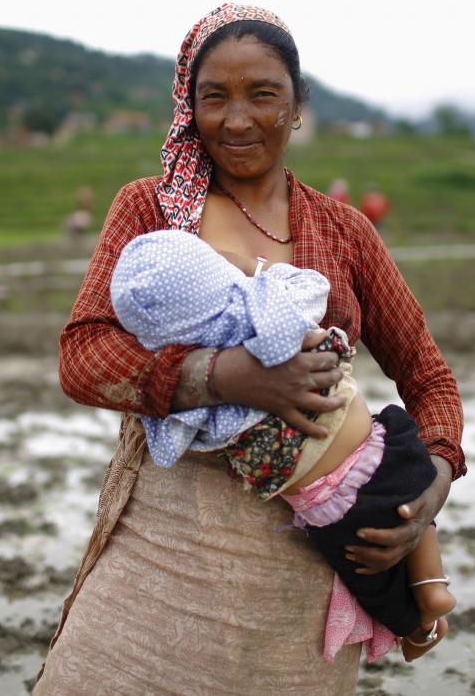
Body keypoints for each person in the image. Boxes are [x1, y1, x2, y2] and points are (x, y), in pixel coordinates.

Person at [35, 4, 465, 695]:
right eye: (214, 98)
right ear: (188, 106)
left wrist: (433, 483)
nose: (237, 120)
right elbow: (83, 356)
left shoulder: (344, 230)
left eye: (263, 94)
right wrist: (225, 376)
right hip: (162, 547)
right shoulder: (150, 209)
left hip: (299, 575)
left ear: (297, 107)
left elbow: (427, 372)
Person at [110, 229, 455, 661]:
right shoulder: (258, 306)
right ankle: (430, 591)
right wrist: (252, 272)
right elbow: (312, 288)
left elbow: (427, 375)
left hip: (312, 506)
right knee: (401, 475)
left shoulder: (339, 231)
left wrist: (192, 389)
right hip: (359, 452)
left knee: (369, 560)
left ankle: (415, 621)